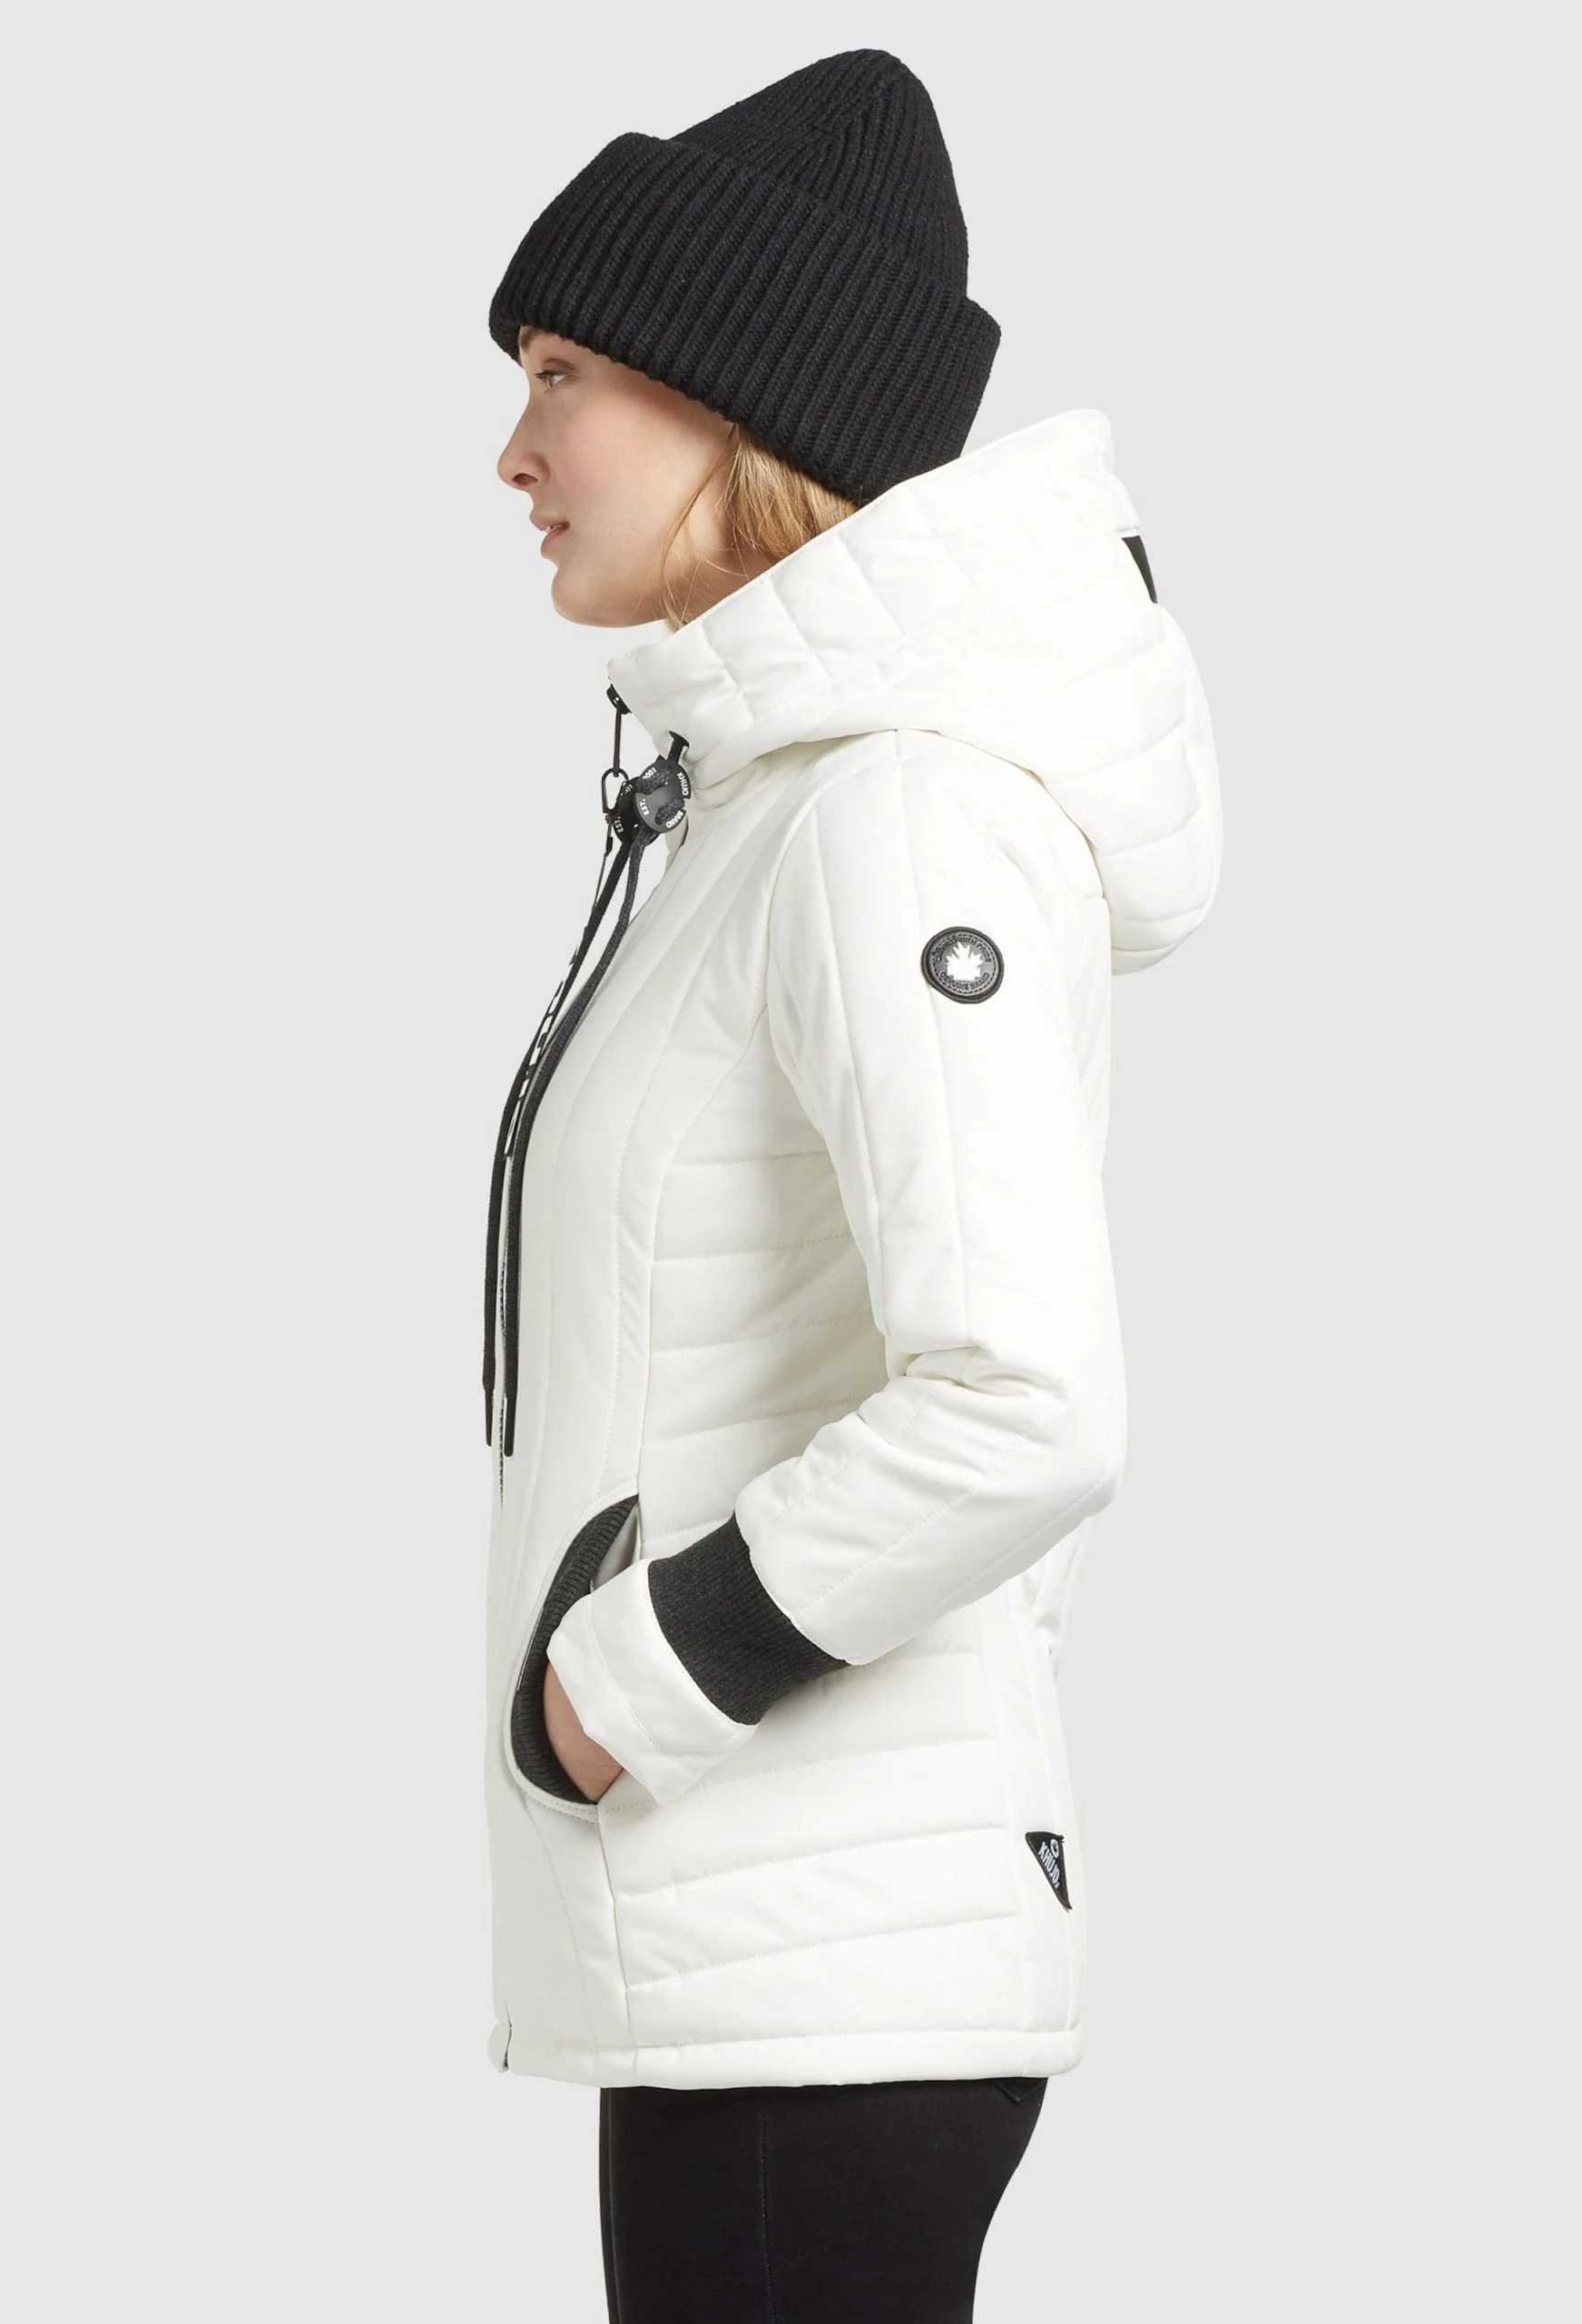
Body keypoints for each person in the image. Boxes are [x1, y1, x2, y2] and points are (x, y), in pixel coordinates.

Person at [480, 47, 1222, 2324]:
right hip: (763, 1947)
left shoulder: (891, 814)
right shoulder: (774, 810)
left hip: (821, 1964)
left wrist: (627, 1676)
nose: (513, 450)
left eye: (565, 372)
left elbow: (1027, 1395)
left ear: (737, 399)